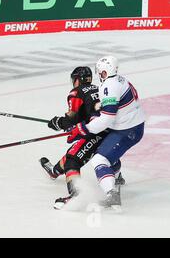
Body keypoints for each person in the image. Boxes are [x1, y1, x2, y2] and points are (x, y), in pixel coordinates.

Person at [67, 56, 145, 208]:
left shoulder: (109, 87)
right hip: (133, 125)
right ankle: (116, 179)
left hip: (127, 130)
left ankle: (112, 195)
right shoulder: (121, 80)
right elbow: (116, 105)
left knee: (100, 160)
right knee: (108, 152)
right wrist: (99, 107)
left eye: (98, 71)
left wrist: (83, 129)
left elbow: (106, 120)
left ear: (103, 72)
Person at [39, 67, 122, 209]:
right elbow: (91, 112)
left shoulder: (75, 93)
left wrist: (57, 122)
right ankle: (55, 171)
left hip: (96, 131)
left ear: (77, 80)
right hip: (112, 129)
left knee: (72, 159)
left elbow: (71, 118)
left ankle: (75, 195)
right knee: (84, 151)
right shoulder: (100, 87)